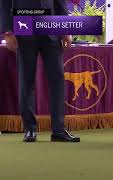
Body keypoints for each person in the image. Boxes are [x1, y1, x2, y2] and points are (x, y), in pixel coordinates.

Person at [0, 0, 80, 142]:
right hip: (24, 26)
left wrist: (66, 29)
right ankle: (29, 129)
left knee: (57, 79)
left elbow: (60, 3)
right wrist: (8, 31)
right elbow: (5, 3)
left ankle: (59, 130)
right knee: (27, 80)